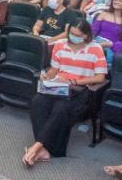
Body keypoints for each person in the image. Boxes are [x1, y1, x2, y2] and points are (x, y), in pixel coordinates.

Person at [23, 19, 106, 166]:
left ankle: (37, 146)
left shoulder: (95, 48)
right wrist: (47, 76)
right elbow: (54, 70)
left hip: (79, 88)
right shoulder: (60, 45)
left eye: (77, 35)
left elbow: (100, 77)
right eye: (71, 33)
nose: (73, 37)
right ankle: (43, 149)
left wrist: (75, 82)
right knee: (37, 102)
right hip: (58, 86)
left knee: (61, 109)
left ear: (86, 35)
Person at [92, 0, 122, 64]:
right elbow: (93, 30)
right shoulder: (104, 14)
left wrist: (110, 44)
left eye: (120, 1)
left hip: (112, 46)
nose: (116, 2)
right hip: (96, 41)